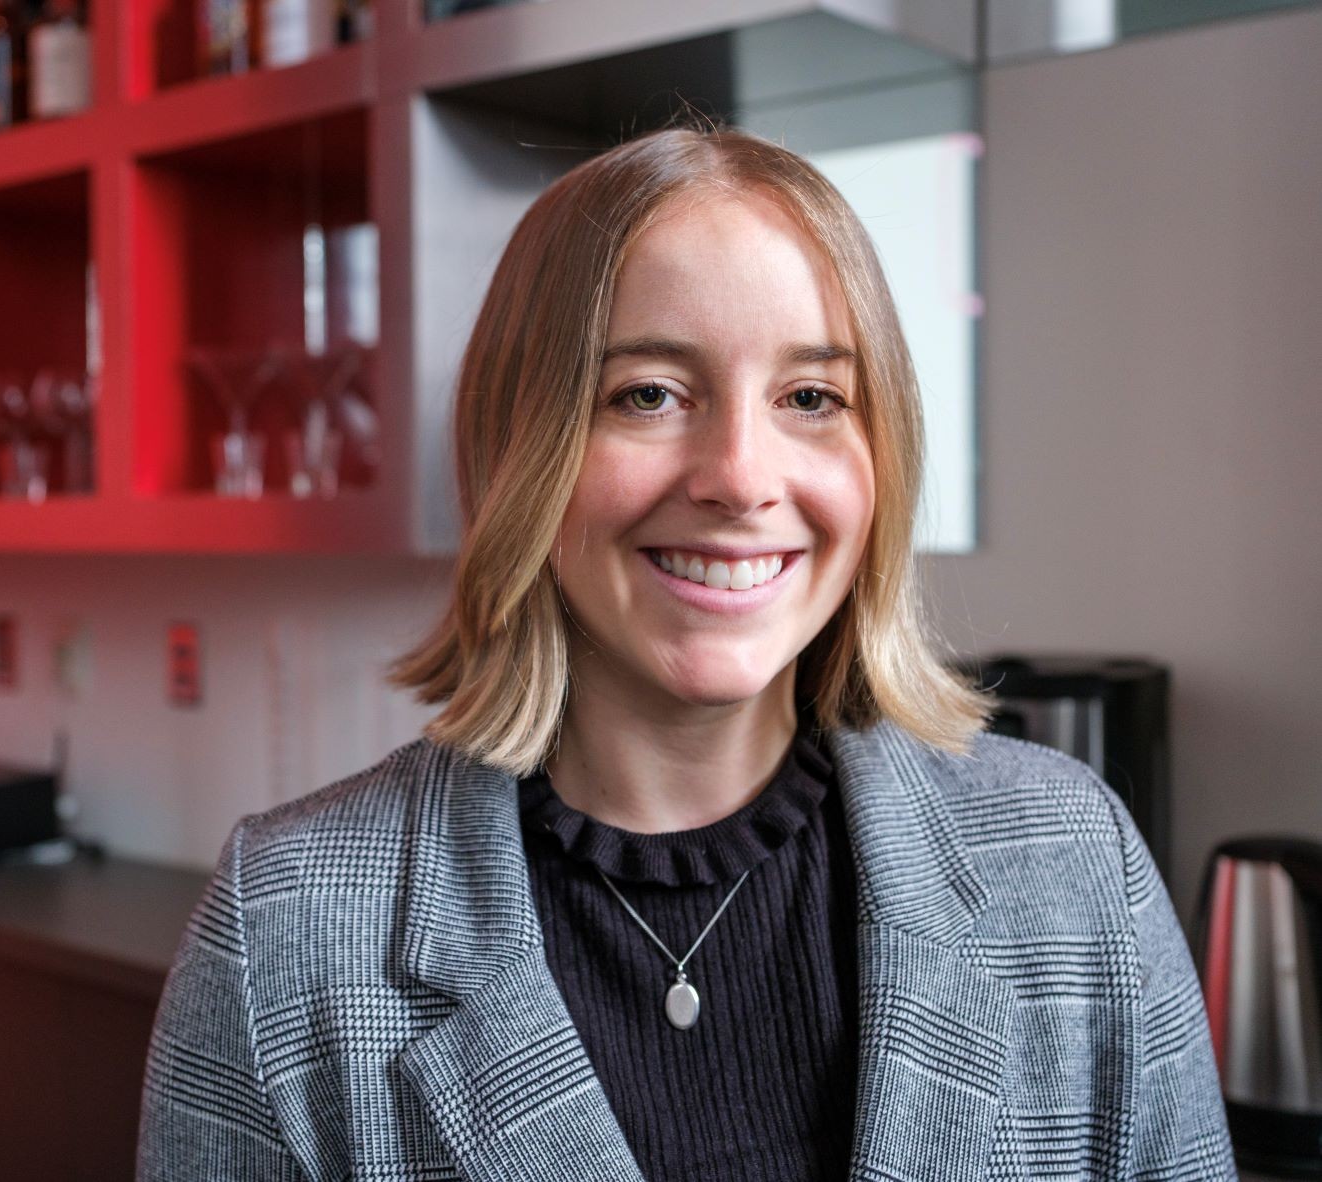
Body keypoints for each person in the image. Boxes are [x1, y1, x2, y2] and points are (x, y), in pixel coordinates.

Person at [135, 122, 1235, 1181]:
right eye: (649, 394)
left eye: (811, 397)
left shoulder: (1071, 858)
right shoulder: (282, 932)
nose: (741, 477)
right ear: (520, 443)